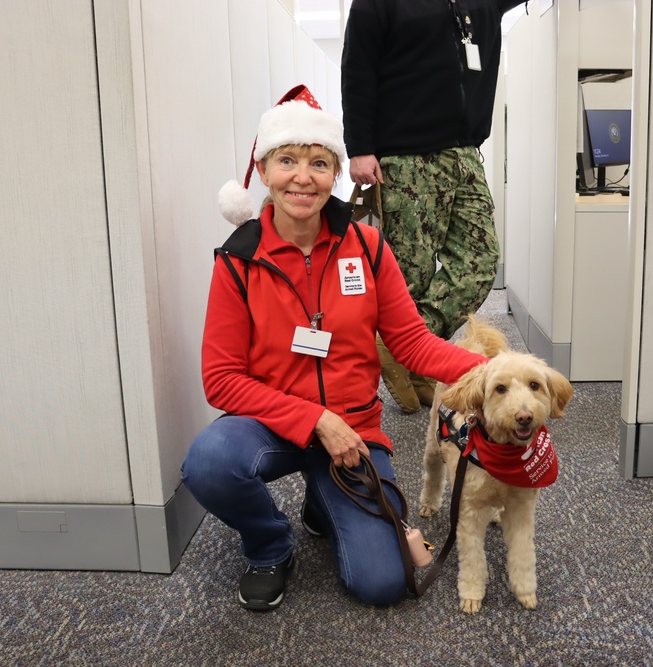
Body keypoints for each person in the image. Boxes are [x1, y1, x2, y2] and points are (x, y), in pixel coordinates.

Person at [181, 85, 488, 612]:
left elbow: (412, 342)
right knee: (209, 461)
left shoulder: (367, 248)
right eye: (288, 160)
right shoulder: (238, 261)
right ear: (265, 170)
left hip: (355, 430)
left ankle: (323, 505)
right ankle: (269, 545)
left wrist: (493, 370)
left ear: (335, 174)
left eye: (319, 163)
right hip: (273, 426)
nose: (303, 176)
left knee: (382, 584)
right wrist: (316, 419)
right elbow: (222, 380)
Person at [341, 0, 526, 414]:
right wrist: (360, 148)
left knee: (480, 263)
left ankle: (404, 344)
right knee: (412, 272)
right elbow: (357, 70)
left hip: (466, 153)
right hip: (406, 158)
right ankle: (412, 355)